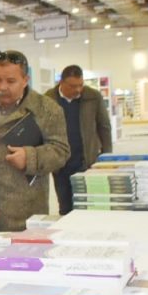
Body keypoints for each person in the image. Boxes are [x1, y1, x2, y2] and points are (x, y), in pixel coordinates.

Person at [0, 50, 70, 234]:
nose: (2, 87)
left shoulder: (47, 109)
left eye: (11, 81)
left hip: (24, 215)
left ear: (25, 80)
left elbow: (61, 151)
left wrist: (30, 157)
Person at [44, 65, 113, 215]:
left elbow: (104, 126)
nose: (78, 90)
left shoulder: (93, 97)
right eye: (73, 86)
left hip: (86, 162)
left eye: (80, 85)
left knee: (88, 206)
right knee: (65, 208)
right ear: (61, 83)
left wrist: (107, 157)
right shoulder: (48, 99)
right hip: (60, 165)